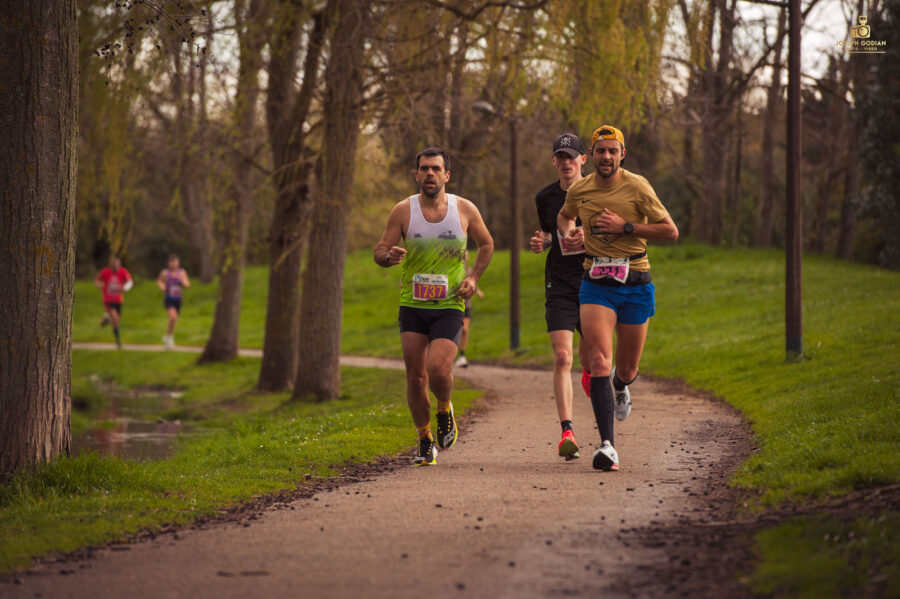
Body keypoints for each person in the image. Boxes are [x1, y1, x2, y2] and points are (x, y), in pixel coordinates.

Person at [557, 125, 678, 471]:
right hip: (595, 282)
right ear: (590, 155)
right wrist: (569, 233)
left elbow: (670, 231)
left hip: (636, 280)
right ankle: (607, 445)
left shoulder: (638, 186)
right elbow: (565, 216)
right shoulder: (580, 189)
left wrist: (627, 227)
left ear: (622, 154)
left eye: (613, 151)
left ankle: (622, 385)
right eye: (600, 151)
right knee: (598, 361)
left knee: (626, 368)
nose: (606, 157)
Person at [374, 147, 494, 466]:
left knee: (438, 369)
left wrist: (474, 278)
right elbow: (380, 250)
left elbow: (486, 244)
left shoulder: (464, 209)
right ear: (416, 175)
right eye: (424, 169)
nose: (429, 174)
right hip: (413, 304)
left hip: (449, 303)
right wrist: (388, 256)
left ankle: (444, 407)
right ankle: (425, 439)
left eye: (435, 169)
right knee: (415, 377)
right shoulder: (403, 210)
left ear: (446, 175)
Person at [528, 133, 592, 461]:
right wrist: (543, 242)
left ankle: (591, 373)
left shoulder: (599, 191)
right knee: (563, 357)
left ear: (583, 159)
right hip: (560, 285)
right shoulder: (545, 198)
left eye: (572, 156)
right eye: (560, 157)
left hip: (595, 281)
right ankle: (567, 431)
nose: (566, 162)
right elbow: (550, 234)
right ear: (554, 162)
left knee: (595, 360)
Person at [94, 255, 133, 349]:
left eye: (117, 263)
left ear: (119, 264)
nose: (115, 265)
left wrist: (125, 287)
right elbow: (96, 281)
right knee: (115, 317)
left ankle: (107, 319)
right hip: (108, 299)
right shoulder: (106, 272)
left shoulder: (123, 272)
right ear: (111, 264)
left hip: (118, 300)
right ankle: (118, 342)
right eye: (114, 263)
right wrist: (99, 286)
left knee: (117, 322)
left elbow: (130, 282)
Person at [455, 252, 485, 369]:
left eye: (465, 256)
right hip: (453, 305)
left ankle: (462, 355)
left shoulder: (469, 271)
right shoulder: (453, 270)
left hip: (466, 305)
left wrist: (478, 292)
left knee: (465, 329)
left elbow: (473, 283)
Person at [156, 254, 190, 349]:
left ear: (178, 263)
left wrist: (183, 281)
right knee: (173, 316)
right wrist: (161, 286)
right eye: (171, 262)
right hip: (169, 299)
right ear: (168, 263)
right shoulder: (165, 273)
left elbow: (187, 285)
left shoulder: (182, 273)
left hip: (178, 299)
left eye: (175, 262)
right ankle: (170, 338)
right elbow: (159, 281)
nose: (173, 264)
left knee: (174, 320)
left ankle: (167, 336)